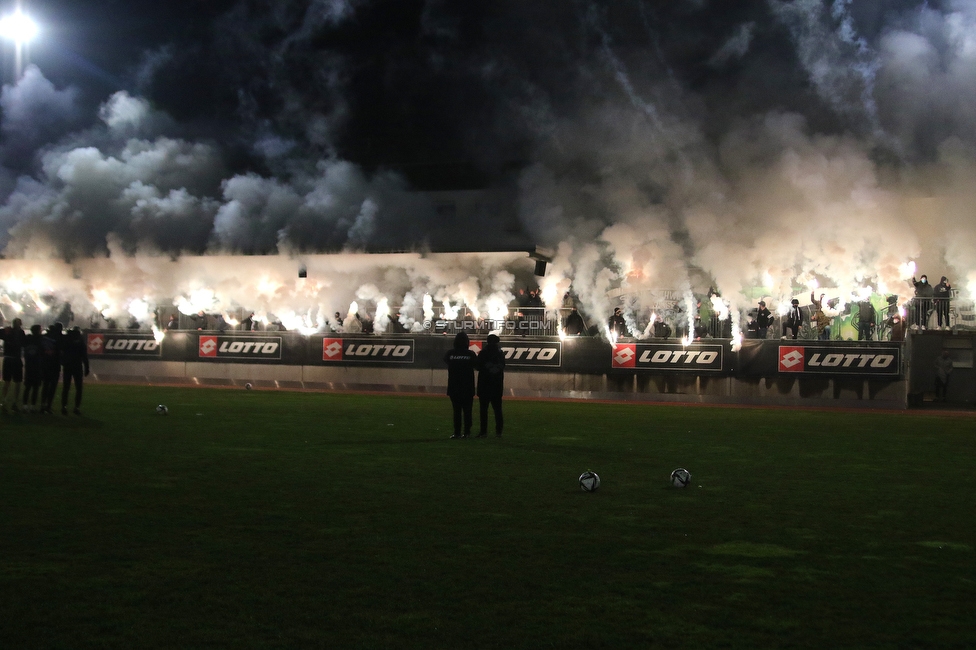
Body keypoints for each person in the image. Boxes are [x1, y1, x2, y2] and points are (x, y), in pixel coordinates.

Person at [443, 332, 476, 439]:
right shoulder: (471, 354)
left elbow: (446, 361)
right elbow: (476, 365)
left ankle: (457, 432)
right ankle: (467, 432)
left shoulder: (450, 353)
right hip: (467, 387)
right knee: (467, 411)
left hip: (454, 386)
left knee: (456, 411)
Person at [476, 333, 505, 438]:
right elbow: (502, 366)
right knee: (498, 410)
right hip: (496, 386)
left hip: (484, 385)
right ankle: (499, 432)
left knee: (483, 410)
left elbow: (478, 366)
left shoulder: (483, 353)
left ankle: (483, 432)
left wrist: (487, 368)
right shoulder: (500, 353)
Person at [61, 326, 90, 415]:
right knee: (79, 388)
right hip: (77, 366)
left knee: (66, 387)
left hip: (68, 366)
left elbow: (62, 352)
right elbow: (84, 356)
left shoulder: (67, 340)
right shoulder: (80, 342)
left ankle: (64, 407)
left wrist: (63, 362)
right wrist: (87, 368)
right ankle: (76, 407)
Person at [0, 317, 27, 413]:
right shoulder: (19, 332)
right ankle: (12, 403)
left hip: (9, 358)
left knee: (10, 382)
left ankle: (5, 402)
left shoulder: (9, 331)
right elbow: (24, 344)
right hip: (15, 358)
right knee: (16, 382)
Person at [40, 322, 63, 415]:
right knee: (52, 387)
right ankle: (48, 406)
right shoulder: (59, 338)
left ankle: (42, 405)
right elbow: (60, 351)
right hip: (55, 364)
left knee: (45, 385)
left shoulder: (44, 337)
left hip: (45, 364)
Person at [22, 324, 43, 412]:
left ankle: (25, 405)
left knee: (28, 387)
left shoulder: (27, 339)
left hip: (29, 366)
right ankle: (32, 406)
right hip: (37, 366)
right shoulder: (41, 340)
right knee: (35, 388)